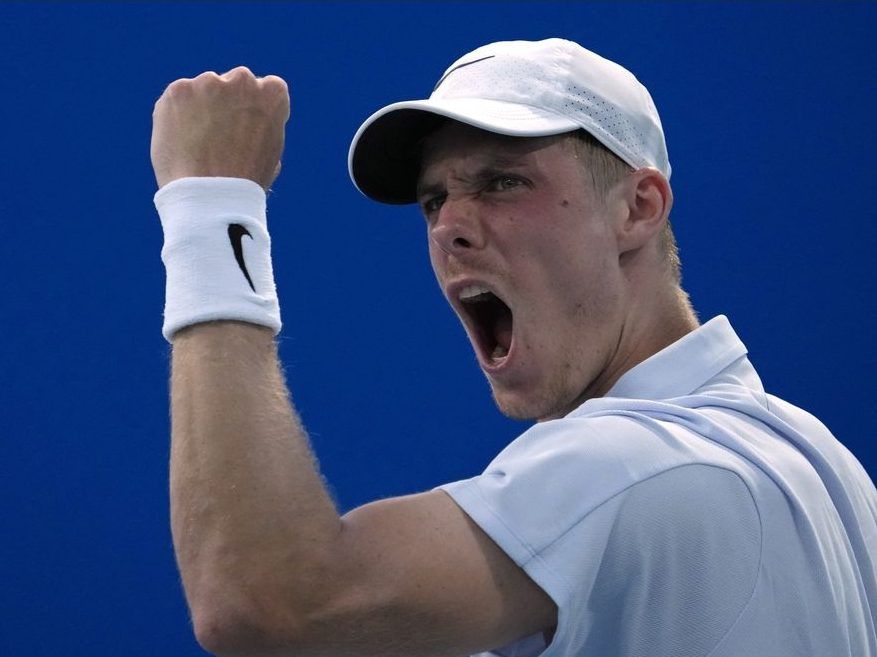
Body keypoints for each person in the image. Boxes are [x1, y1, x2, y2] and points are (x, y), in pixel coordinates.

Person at [150, 38, 877, 657]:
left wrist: (210, 204)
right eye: (434, 200)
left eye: (502, 181)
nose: (448, 228)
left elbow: (268, 597)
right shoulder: (827, 464)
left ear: (637, 207)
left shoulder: (628, 467)